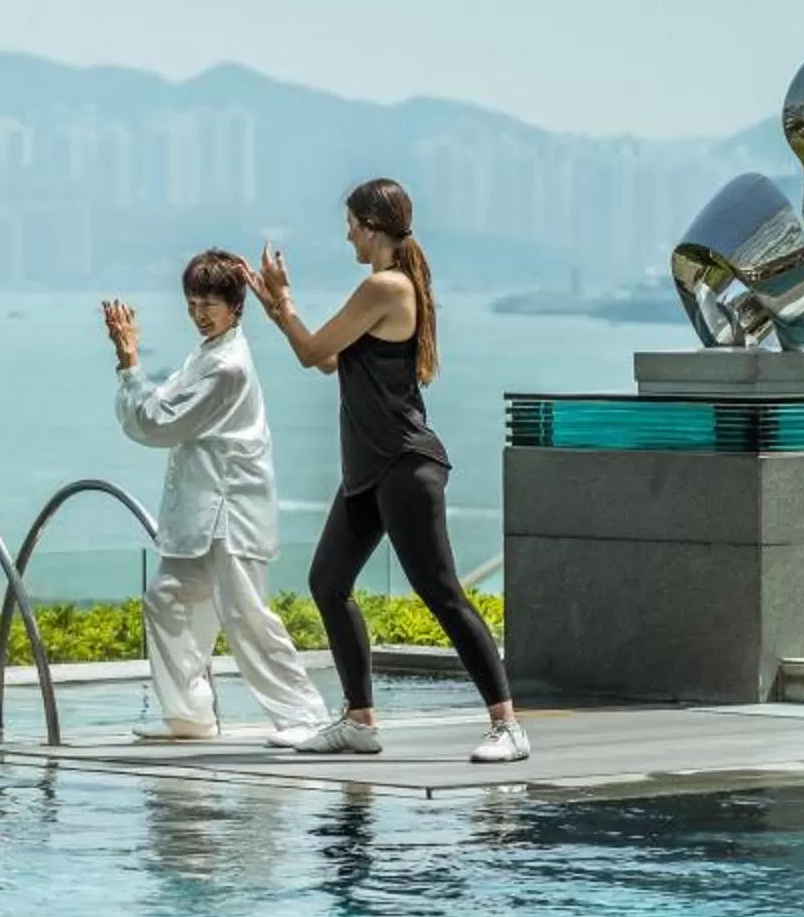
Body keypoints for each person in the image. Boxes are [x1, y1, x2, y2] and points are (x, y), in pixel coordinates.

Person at [247, 179, 529, 764]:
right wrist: (281, 309)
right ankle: (358, 720)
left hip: (404, 465)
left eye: (351, 222)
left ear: (373, 226)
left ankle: (508, 726)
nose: (346, 232)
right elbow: (326, 359)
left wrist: (286, 306)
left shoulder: (386, 286)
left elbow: (309, 350)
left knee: (441, 591)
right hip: (370, 470)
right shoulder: (380, 289)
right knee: (328, 581)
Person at [103, 251, 333, 746]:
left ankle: (307, 717)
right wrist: (135, 374)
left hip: (231, 508)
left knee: (246, 614)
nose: (199, 313)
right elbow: (164, 407)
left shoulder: (227, 366)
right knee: (166, 599)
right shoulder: (208, 352)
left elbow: (159, 422)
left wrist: (129, 365)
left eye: (210, 303)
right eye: (192, 302)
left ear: (235, 306)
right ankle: (188, 715)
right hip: (206, 509)